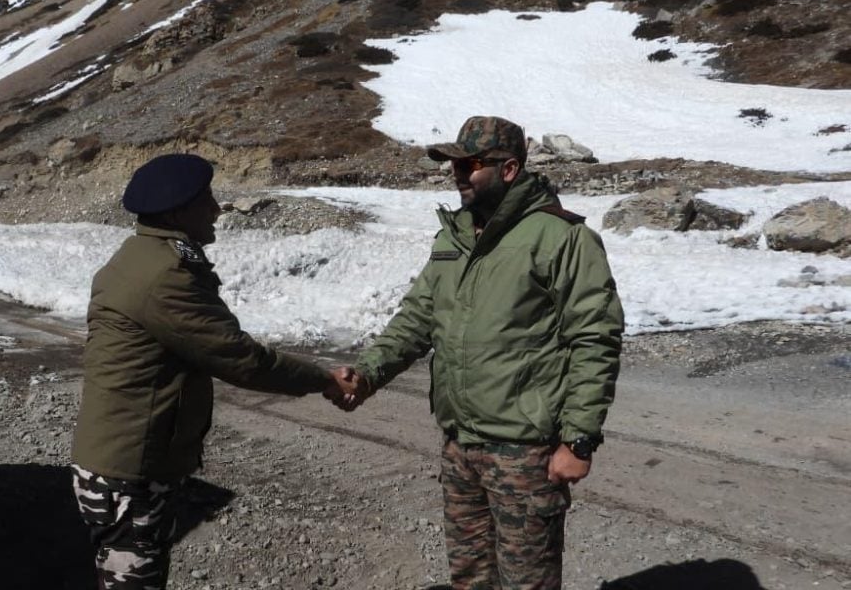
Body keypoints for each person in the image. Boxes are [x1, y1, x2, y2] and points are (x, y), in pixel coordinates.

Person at [336, 116, 624, 589]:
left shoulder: (560, 238)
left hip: (524, 453)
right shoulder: (455, 236)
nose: (457, 174)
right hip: (460, 445)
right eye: (453, 164)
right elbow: (416, 319)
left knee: (526, 582)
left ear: (508, 169)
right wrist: (367, 374)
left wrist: (578, 440)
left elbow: (595, 338)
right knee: (469, 577)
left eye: (469, 164)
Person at [71, 153, 354, 590]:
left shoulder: (143, 254)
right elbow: (239, 359)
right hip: (129, 471)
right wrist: (324, 380)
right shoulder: (164, 275)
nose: (218, 209)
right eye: (206, 200)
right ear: (176, 211)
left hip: (126, 461)